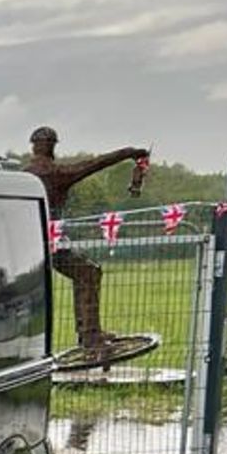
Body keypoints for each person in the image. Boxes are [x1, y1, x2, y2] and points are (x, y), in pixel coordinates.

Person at [22, 126, 151, 360]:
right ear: (52, 146)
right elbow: (95, 164)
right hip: (48, 240)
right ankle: (90, 336)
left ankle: (90, 334)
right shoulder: (53, 172)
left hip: (34, 239)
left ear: (33, 145)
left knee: (87, 272)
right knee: (88, 272)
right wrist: (128, 153)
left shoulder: (26, 173)